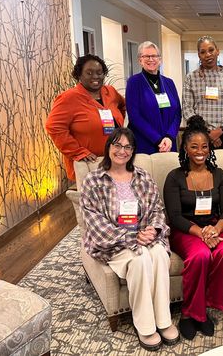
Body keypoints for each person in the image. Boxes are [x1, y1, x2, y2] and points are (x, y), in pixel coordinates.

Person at [79, 128, 178, 351]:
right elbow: (95, 224)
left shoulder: (142, 176)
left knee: (160, 256)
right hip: (114, 242)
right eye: (117, 145)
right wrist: (132, 236)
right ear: (108, 147)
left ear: (133, 151)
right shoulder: (94, 180)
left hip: (146, 236)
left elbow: (157, 209)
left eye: (128, 147)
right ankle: (144, 326)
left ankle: (163, 320)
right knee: (141, 260)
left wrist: (153, 230)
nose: (122, 151)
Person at [163, 115, 223, 340]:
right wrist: (200, 233)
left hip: (215, 227)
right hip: (186, 230)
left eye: (204, 146)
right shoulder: (174, 177)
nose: (199, 151)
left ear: (210, 148)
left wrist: (215, 229)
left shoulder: (219, 175)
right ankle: (189, 313)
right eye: (193, 146)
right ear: (185, 148)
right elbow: (174, 216)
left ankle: (204, 308)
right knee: (200, 255)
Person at [45, 54, 125, 180]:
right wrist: (77, 151)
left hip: (115, 161)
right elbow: (54, 127)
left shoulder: (110, 92)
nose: (95, 77)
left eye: (99, 72)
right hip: (89, 165)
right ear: (79, 75)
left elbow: (122, 106)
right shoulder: (68, 98)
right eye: (89, 73)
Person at [182, 36, 223, 149]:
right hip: (198, 136)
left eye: (211, 50)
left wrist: (220, 131)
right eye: (203, 52)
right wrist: (206, 132)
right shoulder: (191, 78)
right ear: (199, 55)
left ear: (217, 51)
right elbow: (187, 109)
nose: (208, 54)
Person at [126, 41, 181, 154]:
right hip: (145, 144)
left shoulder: (169, 83)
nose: (151, 59)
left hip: (169, 144)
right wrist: (158, 139)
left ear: (160, 59)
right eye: (146, 56)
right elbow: (134, 116)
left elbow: (177, 113)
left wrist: (169, 137)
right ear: (140, 60)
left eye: (154, 56)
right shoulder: (134, 82)